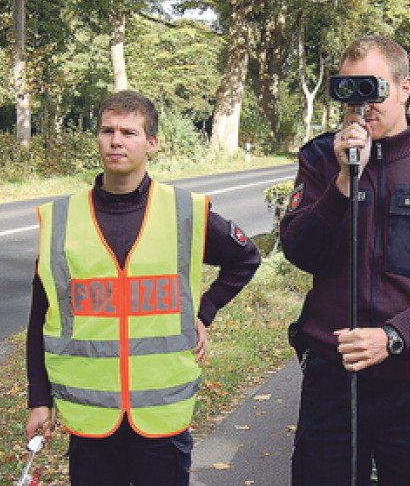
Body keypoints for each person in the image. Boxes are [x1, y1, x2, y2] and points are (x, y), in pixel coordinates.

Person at [24, 90, 261, 485]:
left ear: (152, 143)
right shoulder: (62, 220)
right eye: (107, 130)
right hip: (91, 419)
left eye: (129, 132)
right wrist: (38, 399)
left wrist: (203, 313)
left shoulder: (183, 211)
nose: (116, 140)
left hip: (161, 419)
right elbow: (40, 318)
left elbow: (245, 258)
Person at [280, 34, 410, 485]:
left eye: (373, 89)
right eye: (348, 90)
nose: (361, 105)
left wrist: (393, 335)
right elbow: (300, 251)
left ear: (405, 87)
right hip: (335, 376)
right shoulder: (320, 158)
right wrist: (341, 184)